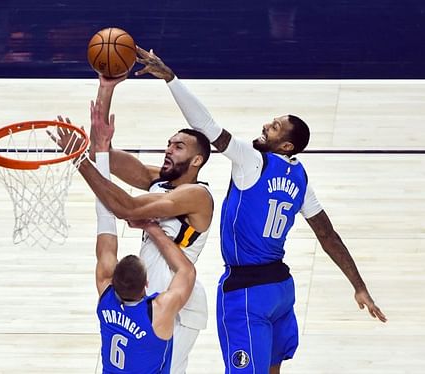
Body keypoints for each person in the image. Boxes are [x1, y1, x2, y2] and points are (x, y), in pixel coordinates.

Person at [135, 46, 387, 374]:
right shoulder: (301, 178)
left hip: (247, 292)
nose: (266, 126)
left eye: (275, 127)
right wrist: (358, 285)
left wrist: (171, 79)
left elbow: (207, 126)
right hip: (280, 289)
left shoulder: (254, 162)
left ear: (286, 146)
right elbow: (327, 235)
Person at [56, 82, 214, 374]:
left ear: (197, 160)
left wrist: (81, 160)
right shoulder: (158, 180)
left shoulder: (197, 195)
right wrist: (106, 86)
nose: (168, 150)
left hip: (176, 297)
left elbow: (125, 207)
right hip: (145, 296)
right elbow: (100, 153)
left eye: (178, 147)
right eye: (168, 143)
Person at [93, 144, 196, 373]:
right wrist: (153, 229)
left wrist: (99, 156)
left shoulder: (105, 295)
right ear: (147, 284)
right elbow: (186, 271)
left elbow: (104, 226)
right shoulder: (158, 310)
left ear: (112, 280)